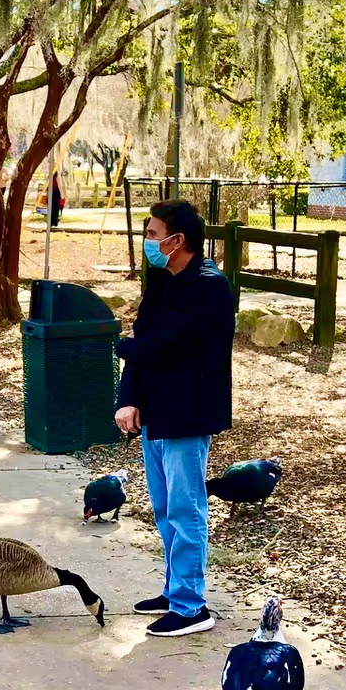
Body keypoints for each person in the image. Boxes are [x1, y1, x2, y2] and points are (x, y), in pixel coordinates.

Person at [115, 198, 237, 637]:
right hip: (155, 413)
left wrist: (123, 346)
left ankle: (191, 606)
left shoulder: (208, 287)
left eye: (151, 234)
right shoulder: (163, 281)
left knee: (187, 510)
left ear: (177, 240)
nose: (146, 242)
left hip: (186, 414)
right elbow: (142, 342)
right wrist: (127, 398)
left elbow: (163, 346)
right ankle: (174, 588)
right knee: (165, 508)